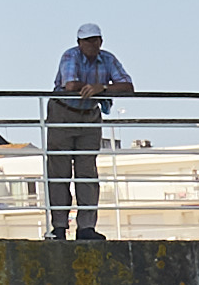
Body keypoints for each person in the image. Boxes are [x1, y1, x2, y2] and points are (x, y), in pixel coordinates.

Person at [44, 21, 136, 238]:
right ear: (79, 43)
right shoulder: (70, 56)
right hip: (63, 113)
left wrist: (101, 87)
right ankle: (59, 227)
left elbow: (128, 87)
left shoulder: (108, 58)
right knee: (59, 172)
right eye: (87, 41)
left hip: (89, 115)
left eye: (94, 40)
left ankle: (86, 228)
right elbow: (70, 85)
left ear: (100, 41)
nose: (91, 45)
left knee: (87, 173)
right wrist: (100, 87)